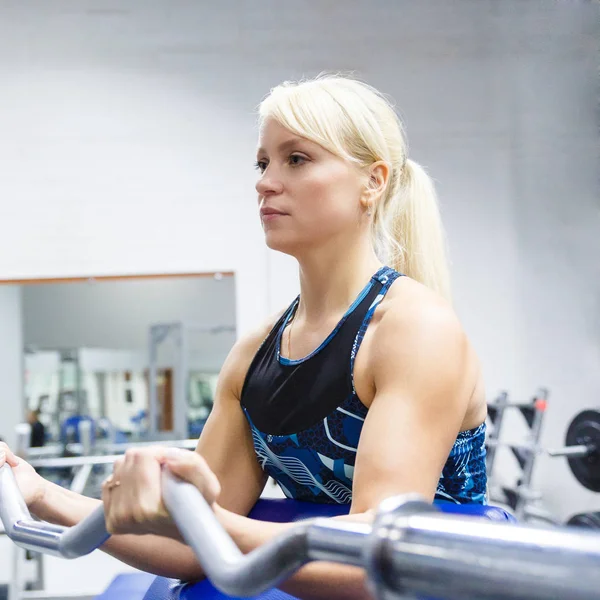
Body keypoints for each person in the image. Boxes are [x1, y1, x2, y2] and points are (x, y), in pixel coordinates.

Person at [0, 74, 488, 600]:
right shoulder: (255, 353)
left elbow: (372, 562)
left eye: (296, 159)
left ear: (372, 182)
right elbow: (192, 554)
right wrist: (38, 491)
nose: (265, 182)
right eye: (263, 163)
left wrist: (197, 518)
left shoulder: (414, 330)